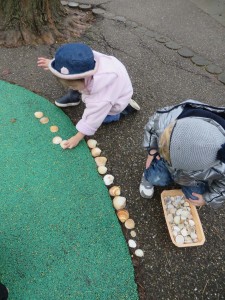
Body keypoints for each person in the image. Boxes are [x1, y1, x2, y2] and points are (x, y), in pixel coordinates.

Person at [37, 43, 140, 149]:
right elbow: (70, 61)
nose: (71, 87)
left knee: (104, 118)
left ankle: (126, 109)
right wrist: (53, 65)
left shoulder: (101, 98)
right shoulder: (86, 61)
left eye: (73, 86)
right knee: (77, 85)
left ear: (85, 77)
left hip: (118, 96)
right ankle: (75, 96)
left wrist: (77, 137)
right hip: (114, 75)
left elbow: (93, 119)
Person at [139, 99, 225, 208]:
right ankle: (148, 176)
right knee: (156, 177)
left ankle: (182, 178)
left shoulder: (221, 165)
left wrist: (207, 199)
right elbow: (152, 127)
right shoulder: (171, 119)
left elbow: (223, 187)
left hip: (194, 178)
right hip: (169, 167)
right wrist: (152, 149)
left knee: (195, 196)